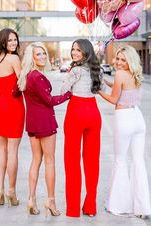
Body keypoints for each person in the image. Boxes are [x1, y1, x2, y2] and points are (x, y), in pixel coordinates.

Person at [17, 42, 71, 216]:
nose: (42, 57)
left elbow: (14, 92)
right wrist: (69, 94)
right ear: (31, 57)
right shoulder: (37, 77)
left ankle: (31, 199)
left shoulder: (25, 76)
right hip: (45, 123)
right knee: (49, 161)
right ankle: (50, 200)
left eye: (43, 54)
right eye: (38, 54)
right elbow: (50, 100)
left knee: (36, 160)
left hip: (32, 123)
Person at [99, 45, 151, 218]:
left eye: (123, 59)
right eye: (118, 59)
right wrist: (105, 81)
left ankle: (119, 205)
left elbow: (114, 98)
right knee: (138, 162)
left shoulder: (120, 74)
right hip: (138, 118)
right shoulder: (135, 75)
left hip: (124, 119)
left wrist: (98, 91)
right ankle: (143, 208)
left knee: (120, 160)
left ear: (130, 60)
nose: (119, 63)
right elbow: (120, 87)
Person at [61, 39, 102, 218]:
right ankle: (90, 207)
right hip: (93, 114)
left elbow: (63, 90)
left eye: (78, 50)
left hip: (76, 113)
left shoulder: (75, 70)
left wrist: (69, 78)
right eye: (73, 49)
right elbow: (100, 88)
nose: (74, 52)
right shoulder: (97, 71)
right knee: (92, 161)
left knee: (72, 161)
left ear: (86, 52)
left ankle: (73, 209)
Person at [0, 28, 25, 207]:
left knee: (1, 147)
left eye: (15, 40)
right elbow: (22, 82)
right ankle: (11, 191)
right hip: (14, 106)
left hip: (0, 106)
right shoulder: (14, 58)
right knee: (12, 151)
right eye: (10, 40)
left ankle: (0, 190)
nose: (13, 43)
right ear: (3, 41)